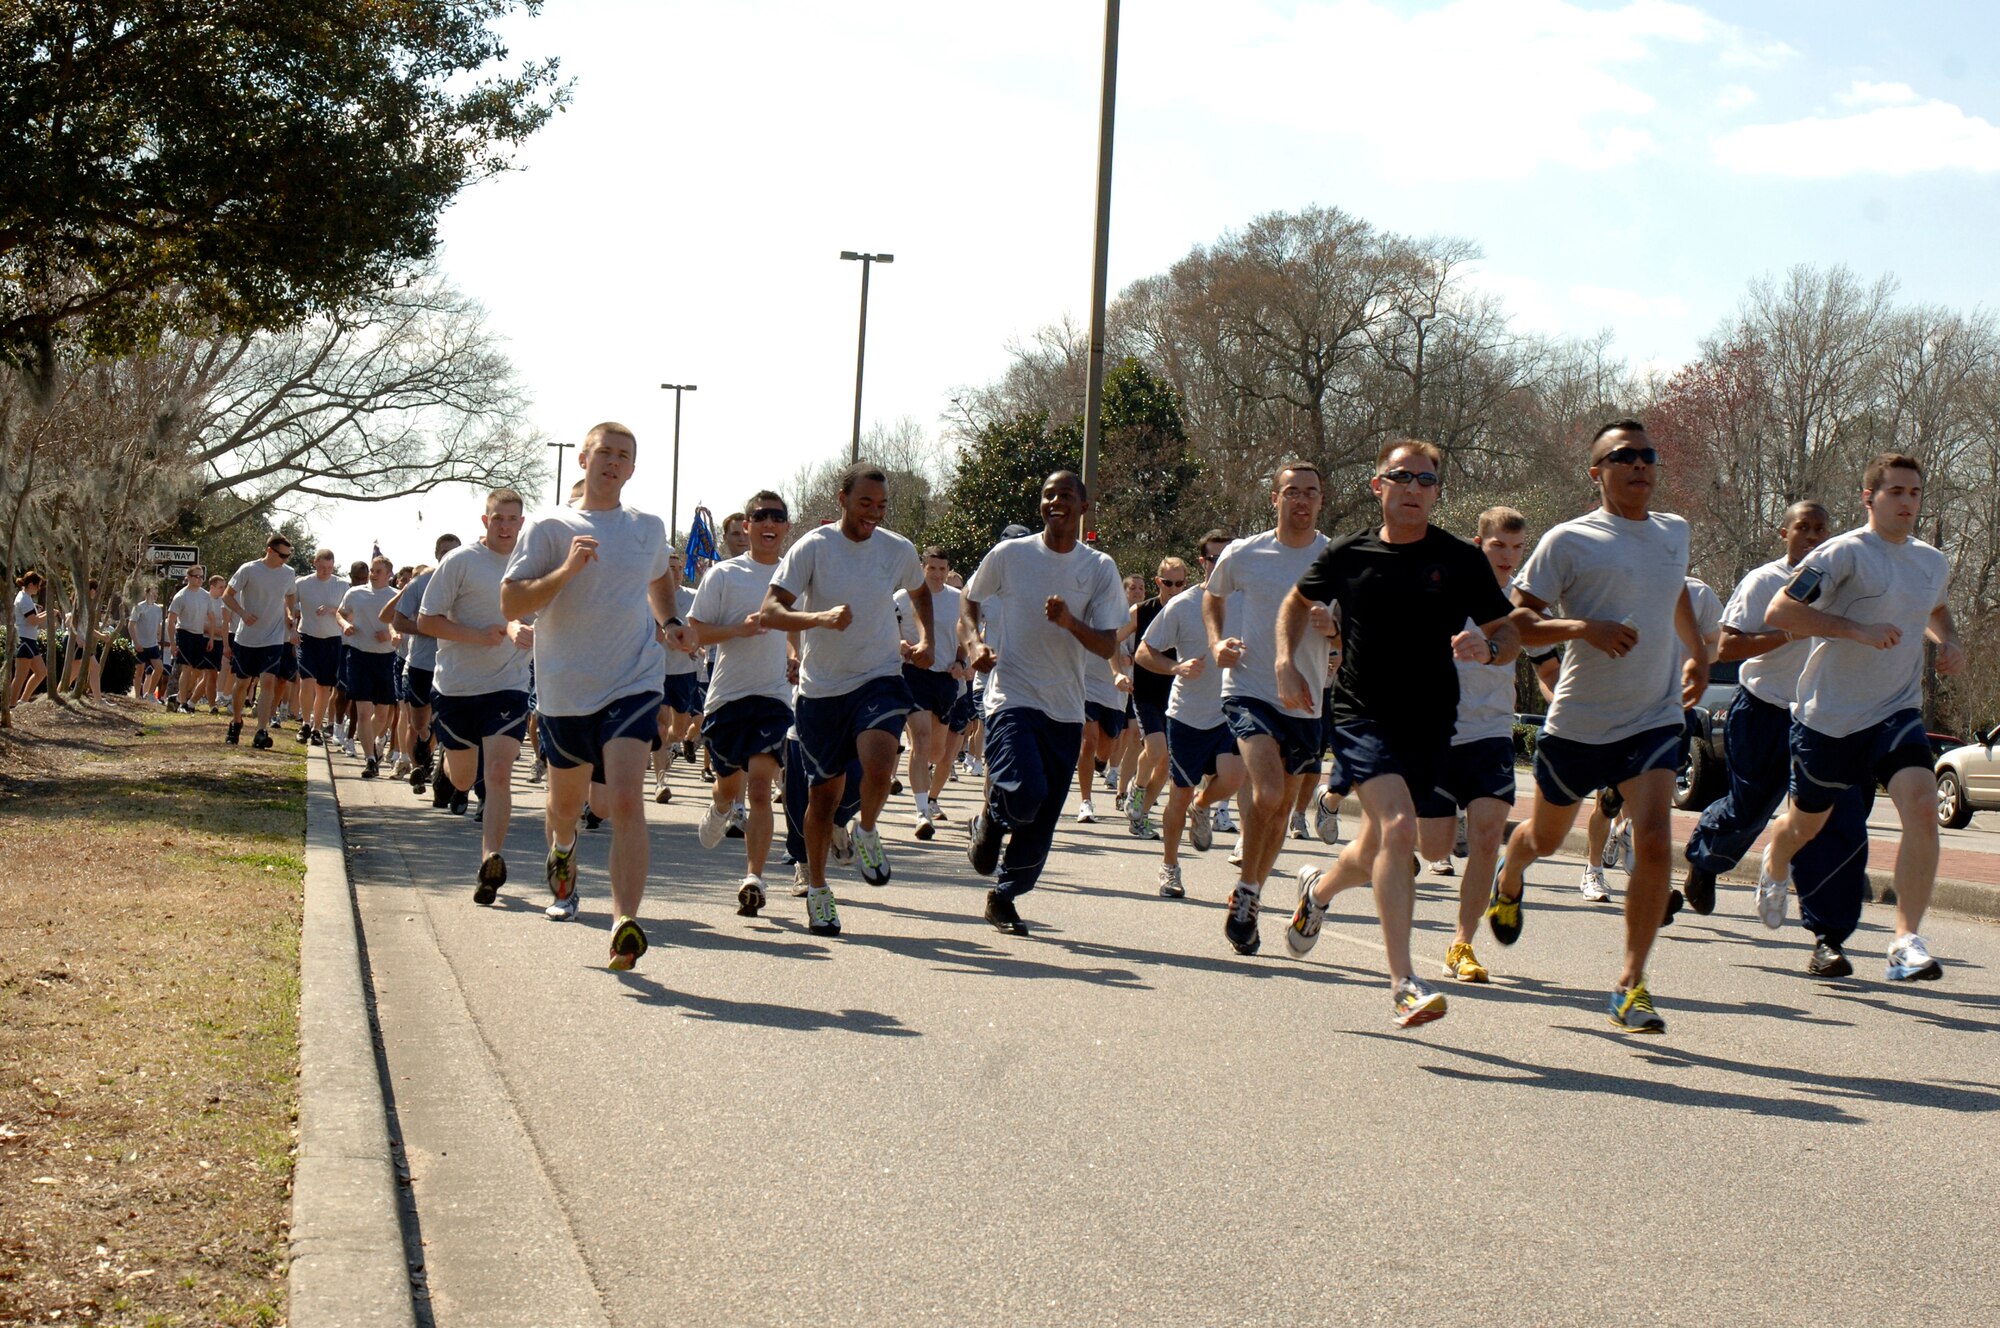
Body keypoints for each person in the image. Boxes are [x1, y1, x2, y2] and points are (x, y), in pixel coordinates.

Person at [1276, 442, 1519, 1027]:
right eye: (1403, 476)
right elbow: (1296, 601)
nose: (1415, 487)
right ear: (1378, 484)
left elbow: (1507, 632)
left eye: (1427, 479)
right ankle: (1403, 982)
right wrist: (1286, 659)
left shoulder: (1460, 559)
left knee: (1411, 845)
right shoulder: (1347, 552)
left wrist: (1489, 650)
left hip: (1433, 721)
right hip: (1363, 714)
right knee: (1398, 827)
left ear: (1437, 491)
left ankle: (1319, 892)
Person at [1486, 420, 1709, 1034]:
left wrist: (1699, 652)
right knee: (1545, 839)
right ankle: (1509, 876)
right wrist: (1584, 628)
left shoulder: (1674, 533)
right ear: (1597, 472)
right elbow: (1517, 627)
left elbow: (1676, 596)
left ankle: (1630, 984)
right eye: (1623, 457)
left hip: (1653, 716)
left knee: (1658, 841)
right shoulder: (1568, 541)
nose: (1639, 465)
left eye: (1647, 455)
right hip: (1580, 720)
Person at [1760, 454, 1960, 982]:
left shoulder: (1932, 562)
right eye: (1895, 492)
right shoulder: (1841, 554)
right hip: (1830, 716)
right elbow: (1780, 611)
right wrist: (1856, 630)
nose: (1907, 503)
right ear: (1869, 498)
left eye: (1914, 493)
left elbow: (1934, 607)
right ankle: (1777, 859)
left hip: (1896, 709)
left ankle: (1904, 942)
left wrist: (1951, 641)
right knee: (1808, 823)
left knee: (1921, 807)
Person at [503, 422, 683, 968]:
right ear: (583, 458)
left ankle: (624, 920)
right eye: (604, 452)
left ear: (632, 468)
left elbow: (658, 581)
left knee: (626, 800)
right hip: (564, 687)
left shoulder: (648, 529)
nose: (613, 462)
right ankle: (561, 848)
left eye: (624, 456)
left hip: (633, 680)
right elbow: (512, 602)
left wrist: (671, 621)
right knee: (566, 806)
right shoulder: (548, 525)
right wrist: (566, 569)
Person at [1679, 502, 1870, 972]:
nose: (1811, 535)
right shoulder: (1764, 582)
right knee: (1750, 806)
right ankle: (1705, 861)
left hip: (1821, 717)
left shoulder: (1843, 586)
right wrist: (1789, 633)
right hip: (1762, 708)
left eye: (1820, 529)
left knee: (1826, 818)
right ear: (1783, 532)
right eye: (1801, 528)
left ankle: (1827, 938)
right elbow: (1728, 646)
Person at [759, 463, 932, 937]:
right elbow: (771, 611)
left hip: (878, 675)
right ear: (842, 498)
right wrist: (818, 619)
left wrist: (927, 640)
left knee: (880, 762)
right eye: (865, 503)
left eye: (881, 506)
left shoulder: (897, 548)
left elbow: (920, 591)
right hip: (821, 691)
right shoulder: (813, 548)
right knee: (824, 797)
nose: (874, 513)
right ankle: (817, 889)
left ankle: (869, 830)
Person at [960, 473, 1125, 933]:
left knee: (1043, 816)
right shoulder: (1011, 555)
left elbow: (1108, 645)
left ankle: (1004, 896)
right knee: (1023, 793)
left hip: (1067, 708)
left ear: (1083, 506)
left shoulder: (1098, 567)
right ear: (1041, 505)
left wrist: (1071, 623)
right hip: (1011, 694)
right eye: (1048, 495)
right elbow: (968, 600)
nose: (1056, 502)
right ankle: (991, 822)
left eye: (1066, 496)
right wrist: (974, 645)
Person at [1204, 462, 1331, 956]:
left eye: (1311, 493)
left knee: (1279, 809)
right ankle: (1250, 891)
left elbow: (1350, 625)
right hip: (1250, 688)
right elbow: (1213, 597)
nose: (1302, 500)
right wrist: (1216, 644)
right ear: (1274, 499)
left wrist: (1333, 628)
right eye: (1292, 492)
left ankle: (1250, 892)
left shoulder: (1333, 556)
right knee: (1270, 789)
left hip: (1306, 698)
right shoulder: (1245, 552)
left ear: (1321, 501)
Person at [1406, 506, 1532, 984]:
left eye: (1517, 548)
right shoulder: (1444, 589)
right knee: (1434, 850)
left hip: (1491, 733)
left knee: (1484, 838)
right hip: (1437, 733)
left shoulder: (1522, 601)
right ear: (1479, 545)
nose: (1508, 556)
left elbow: (1538, 655)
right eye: (1498, 545)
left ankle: (1462, 944)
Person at [1578, 573, 1721, 905]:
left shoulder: (1699, 594)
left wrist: (1695, 663)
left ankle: (1651, 878)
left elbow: (1718, 642)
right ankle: (1593, 869)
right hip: (1625, 704)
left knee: (1655, 797)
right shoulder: (1628, 586)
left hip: (1675, 707)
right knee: (1609, 799)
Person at [419, 490, 533, 905]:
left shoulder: (533, 566)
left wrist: (526, 629)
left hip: (508, 685)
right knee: (464, 778)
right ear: (485, 521)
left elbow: (553, 616)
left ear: (522, 522)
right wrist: (480, 634)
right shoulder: (460, 562)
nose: (506, 525)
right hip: (456, 687)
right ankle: (446, 769)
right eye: (498, 518)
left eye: (513, 519)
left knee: (499, 773)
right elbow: (427, 620)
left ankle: (491, 859)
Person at [689, 490, 795, 916]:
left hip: (773, 698)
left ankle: (755, 876)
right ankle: (718, 808)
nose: (769, 523)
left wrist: (795, 657)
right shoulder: (725, 575)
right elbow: (696, 631)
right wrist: (738, 629)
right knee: (729, 787)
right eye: (760, 516)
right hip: (728, 697)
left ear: (787, 526)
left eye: (778, 516)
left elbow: (797, 632)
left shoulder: (796, 577)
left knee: (760, 787)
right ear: (747, 526)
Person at [1135, 541, 1242, 898]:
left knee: (1233, 779)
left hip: (1228, 711)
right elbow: (1143, 652)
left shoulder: (1246, 599)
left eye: (1230, 556)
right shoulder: (1183, 604)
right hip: (1188, 716)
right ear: (1203, 561)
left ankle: (1203, 804)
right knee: (1178, 795)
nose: (1223, 562)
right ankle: (1170, 868)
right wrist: (1176, 666)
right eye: (1216, 557)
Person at [896, 546, 967, 840]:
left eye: (942, 569)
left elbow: (966, 634)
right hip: (913, 675)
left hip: (945, 680)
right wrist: (899, 643)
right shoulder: (903, 597)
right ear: (922, 569)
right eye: (932, 568)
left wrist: (962, 662)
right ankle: (922, 812)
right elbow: (889, 626)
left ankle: (922, 782)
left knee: (936, 752)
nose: (937, 575)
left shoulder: (957, 600)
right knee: (921, 741)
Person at [1122, 558, 1191, 839]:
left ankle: (1142, 813)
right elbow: (1112, 640)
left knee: (1166, 763)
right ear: (1158, 582)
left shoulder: (1191, 610)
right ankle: (1137, 789)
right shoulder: (1141, 611)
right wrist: (1118, 672)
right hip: (1146, 692)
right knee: (1156, 749)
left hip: (1178, 694)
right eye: (1168, 583)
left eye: (1180, 583)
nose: (1174, 589)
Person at [222, 535, 301, 749]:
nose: (285, 559)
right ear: (269, 550)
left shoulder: (288, 573)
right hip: (247, 637)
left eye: (288, 555)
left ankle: (260, 730)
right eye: (282, 555)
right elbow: (227, 596)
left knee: (268, 682)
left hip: (274, 637)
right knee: (242, 684)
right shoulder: (249, 569)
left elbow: (291, 596)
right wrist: (242, 613)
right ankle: (236, 722)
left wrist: (290, 614)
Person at [391, 535, 459, 781]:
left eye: (454, 551)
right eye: (444, 552)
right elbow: (398, 621)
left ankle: (426, 768)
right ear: (436, 555)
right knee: (419, 723)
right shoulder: (420, 584)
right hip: (421, 663)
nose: (449, 556)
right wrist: (431, 628)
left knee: (446, 722)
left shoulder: (467, 582)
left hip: (453, 665)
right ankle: (422, 746)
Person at [336, 556, 400, 776]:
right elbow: (341, 613)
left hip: (386, 658)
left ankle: (369, 743)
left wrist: (391, 634)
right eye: (372, 570)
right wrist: (345, 625)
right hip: (359, 655)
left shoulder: (395, 597)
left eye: (378, 571)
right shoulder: (355, 593)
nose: (373, 574)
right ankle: (370, 759)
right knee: (363, 711)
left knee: (382, 714)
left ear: (389, 574)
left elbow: (402, 623)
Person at [293, 549, 346, 745]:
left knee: (324, 688)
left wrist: (333, 610)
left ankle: (316, 728)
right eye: (322, 567)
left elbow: (349, 612)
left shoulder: (341, 585)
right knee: (307, 681)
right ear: (314, 563)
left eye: (330, 568)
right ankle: (305, 722)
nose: (326, 571)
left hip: (332, 640)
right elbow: (290, 605)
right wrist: (291, 629)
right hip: (308, 637)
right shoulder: (302, 583)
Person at [166, 567, 214, 713]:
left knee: (198, 670)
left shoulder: (205, 596)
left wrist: (211, 638)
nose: (199, 579)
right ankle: (183, 704)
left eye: (201, 577)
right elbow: (171, 621)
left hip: (199, 635)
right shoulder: (181, 596)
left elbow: (211, 617)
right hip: (184, 633)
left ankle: (180, 696)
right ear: (188, 577)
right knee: (186, 668)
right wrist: (173, 644)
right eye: (196, 576)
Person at [10, 571, 48, 705]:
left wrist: (44, 612)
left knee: (41, 672)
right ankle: (10, 705)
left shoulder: (27, 598)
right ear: (31, 584)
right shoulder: (24, 599)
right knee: (20, 676)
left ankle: (23, 700)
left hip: (30, 640)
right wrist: (48, 614)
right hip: (24, 639)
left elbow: (34, 618)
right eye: (38, 586)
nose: (39, 589)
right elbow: (33, 620)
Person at [130, 580, 167, 702]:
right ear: (146, 593)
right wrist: (136, 642)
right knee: (139, 671)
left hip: (153, 645)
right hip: (140, 644)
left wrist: (158, 638)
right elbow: (131, 625)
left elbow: (158, 625)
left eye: (156, 593)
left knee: (159, 668)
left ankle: (150, 694)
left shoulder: (158, 609)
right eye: (152, 592)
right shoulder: (139, 607)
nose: (155, 595)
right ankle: (137, 696)